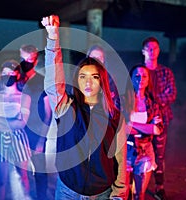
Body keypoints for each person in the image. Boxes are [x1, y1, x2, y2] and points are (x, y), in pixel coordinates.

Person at [42, 15, 127, 199]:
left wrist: (119, 193)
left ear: (102, 80)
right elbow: (53, 84)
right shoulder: (66, 107)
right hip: (68, 191)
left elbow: (120, 158)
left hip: (101, 193)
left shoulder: (114, 115)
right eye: (83, 76)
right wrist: (53, 38)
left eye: (94, 77)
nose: (88, 82)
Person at [0, 60, 32, 200]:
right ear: (1, 74)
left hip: (19, 139)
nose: (8, 75)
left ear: (18, 75)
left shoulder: (24, 97)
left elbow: (22, 123)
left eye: (12, 73)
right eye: (5, 72)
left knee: (22, 176)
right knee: (1, 180)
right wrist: (11, 122)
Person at [141, 37, 177, 200]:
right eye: (148, 48)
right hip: (141, 122)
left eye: (155, 48)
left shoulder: (166, 72)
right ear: (143, 51)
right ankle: (137, 186)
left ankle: (159, 187)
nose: (152, 51)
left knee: (159, 154)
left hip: (161, 121)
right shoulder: (139, 72)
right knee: (138, 153)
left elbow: (171, 94)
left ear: (159, 51)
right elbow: (134, 95)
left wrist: (151, 100)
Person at [122, 64, 164, 200]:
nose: (140, 79)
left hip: (146, 152)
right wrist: (148, 127)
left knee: (139, 195)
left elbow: (157, 129)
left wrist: (131, 123)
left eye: (144, 76)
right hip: (124, 151)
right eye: (137, 76)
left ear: (148, 80)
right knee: (122, 194)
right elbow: (120, 128)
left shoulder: (152, 102)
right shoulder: (123, 100)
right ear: (131, 79)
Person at [18, 44, 53, 199]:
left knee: (39, 171)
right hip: (18, 133)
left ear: (36, 60)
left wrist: (41, 139)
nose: (26, 62)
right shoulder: (16, 79)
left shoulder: (42, 82)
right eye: (23, 59)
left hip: (36, 132)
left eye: (29, 59)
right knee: (19, 171)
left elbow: (48, 113)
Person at [86, 44, 120, 109]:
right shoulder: (80, 76)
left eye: (99, 58)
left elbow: (113, 100)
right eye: (93, 58)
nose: (96, 61)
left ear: (104, 60)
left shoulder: (109, 79)